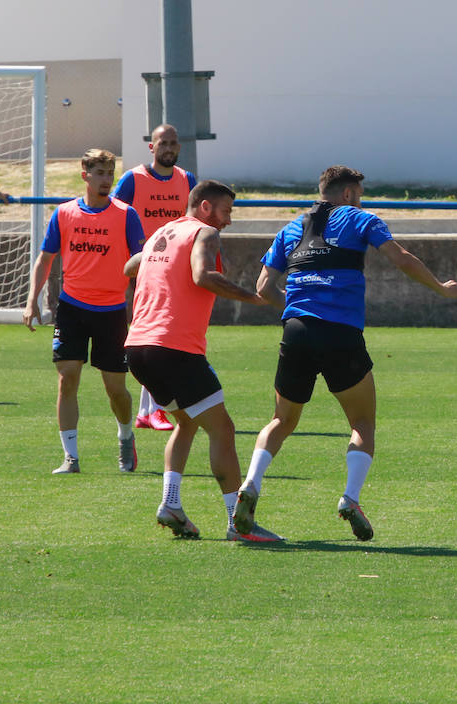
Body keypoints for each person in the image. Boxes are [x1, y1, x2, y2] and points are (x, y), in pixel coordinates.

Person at [236, 165, 457, 542]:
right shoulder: (361, 219)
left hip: (296, 331)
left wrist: (296, 312)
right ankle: (350, 499)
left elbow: (263, 287)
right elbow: (402, 258)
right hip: (340, 332)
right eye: (358, 193)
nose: (360, 199)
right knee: (362, 423)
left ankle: (251, 484)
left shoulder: (291, 227)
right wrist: (442, 288)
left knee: (281, 420)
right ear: (346, 194)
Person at [122, 180, 276, 540]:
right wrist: (254, 299)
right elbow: (203, 276)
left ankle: (171, 503)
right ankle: (237, 523)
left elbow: (131, 266)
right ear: (205, 207)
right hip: (173, 348)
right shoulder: (204, 232)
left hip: (138, 348)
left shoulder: (163, 232)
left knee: (187, 423)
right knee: (222, 430)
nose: (228, 221)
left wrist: (159, 263)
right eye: (226, 211)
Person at [22, 149, 146, 474]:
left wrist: (142, 305)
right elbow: (46, 258)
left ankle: (125, 435)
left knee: (115, 389)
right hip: (72, 308)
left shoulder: (126, 215)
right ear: (85, 175)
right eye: (100, 173)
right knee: (67, 379)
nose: (106, 180)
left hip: (112, 311)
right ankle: (70, 457)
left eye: (110, 173)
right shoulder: (63, 214)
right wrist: (31, 299)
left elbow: (143, 262)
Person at [112, 124, 197, 432]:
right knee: (154, 335)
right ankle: (154, 409)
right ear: (152, 146)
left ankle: (150, 410)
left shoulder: (187, 180)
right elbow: (114, 215)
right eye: (164, 142)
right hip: (144, 268)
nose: (169, 148)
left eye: (174, 143)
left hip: (176, 270)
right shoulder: (133, 179)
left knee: (161, 335)